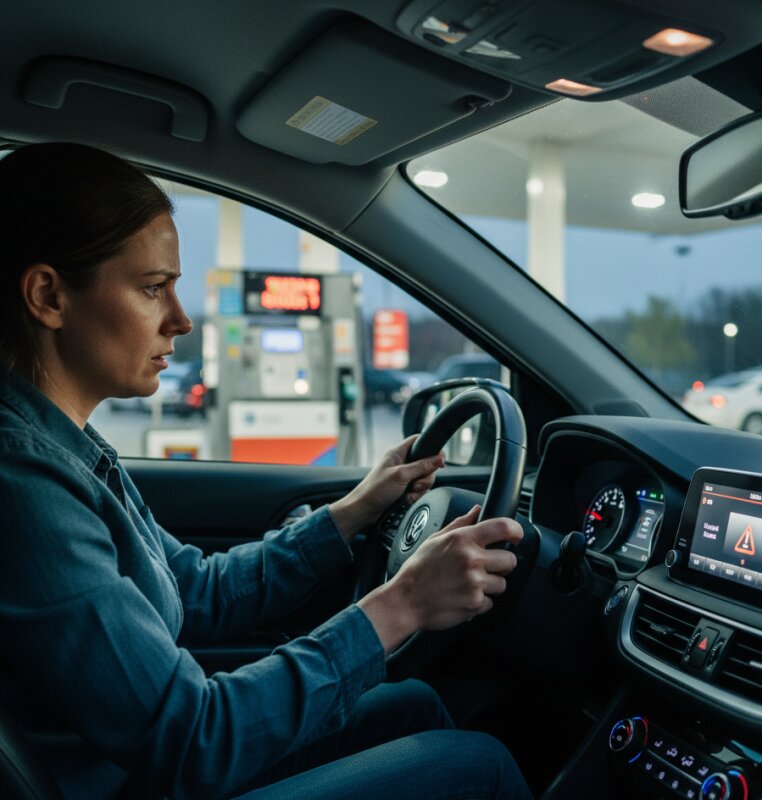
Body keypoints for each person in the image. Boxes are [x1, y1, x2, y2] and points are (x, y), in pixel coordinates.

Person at [0, 143, 533, 800]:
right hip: (126, 785)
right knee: (476, 766)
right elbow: (193, 739)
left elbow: (195, 592)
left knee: (413, 704)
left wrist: (351, 513)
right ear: (48, 295)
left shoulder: (65, 451)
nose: (181, 320)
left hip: (133, 775)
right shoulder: (22, 489)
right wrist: (404, 603)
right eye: (152, 288)